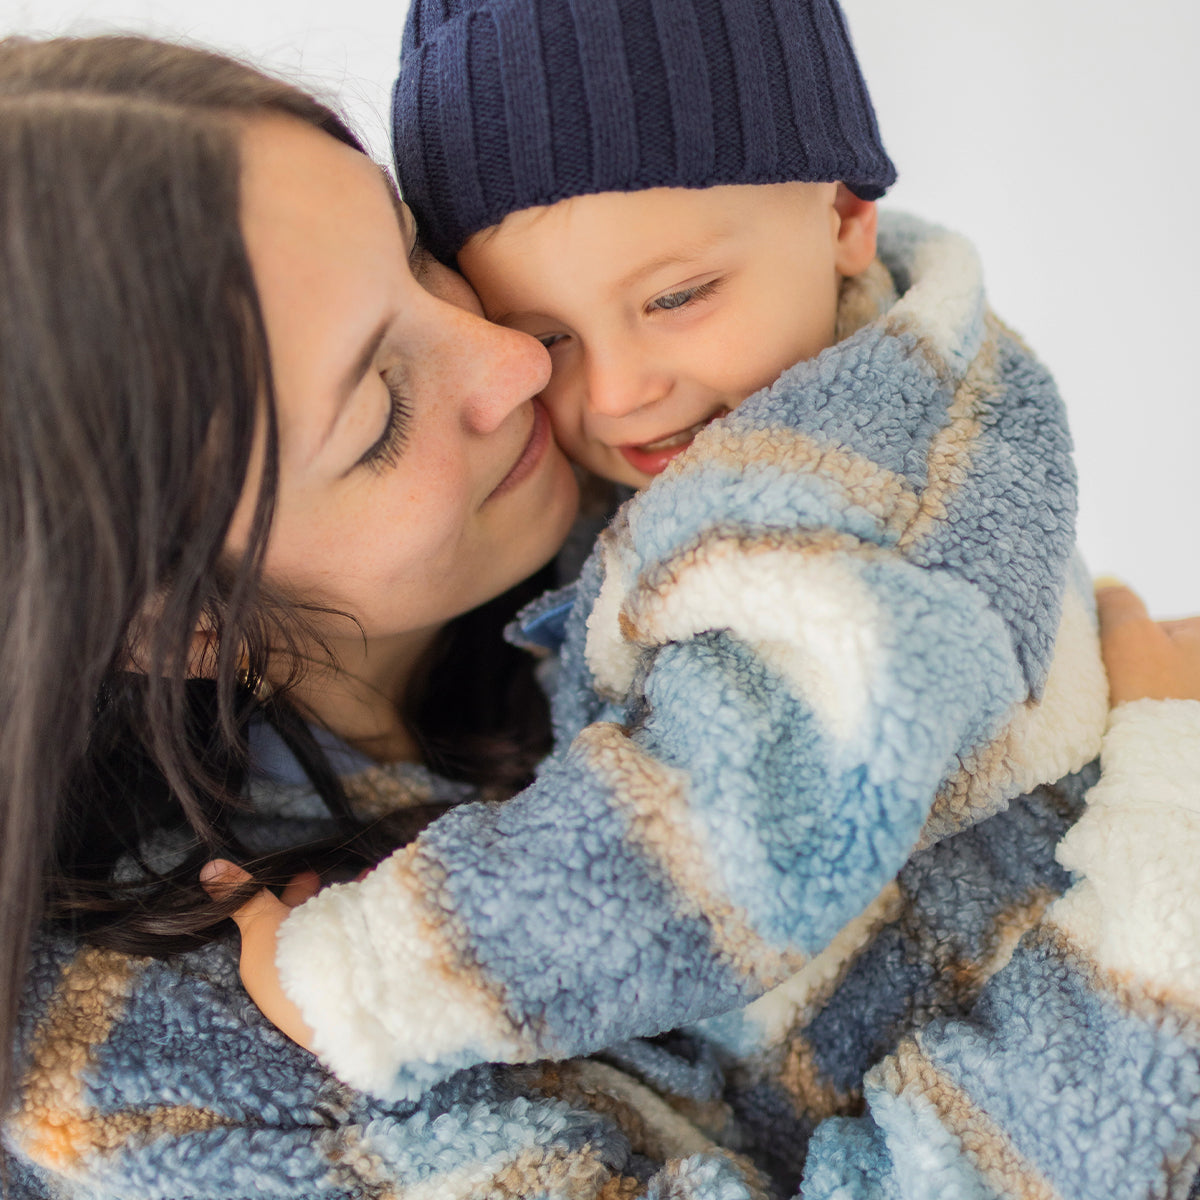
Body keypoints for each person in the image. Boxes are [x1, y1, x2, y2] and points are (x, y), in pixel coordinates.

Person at [213, 1, 1200, 1197]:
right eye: (538, 326)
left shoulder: (861, 480)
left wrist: (370, 975)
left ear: (844, 213)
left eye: (677, 298)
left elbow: (728, 834)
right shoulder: (726, 429)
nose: (610, 388)